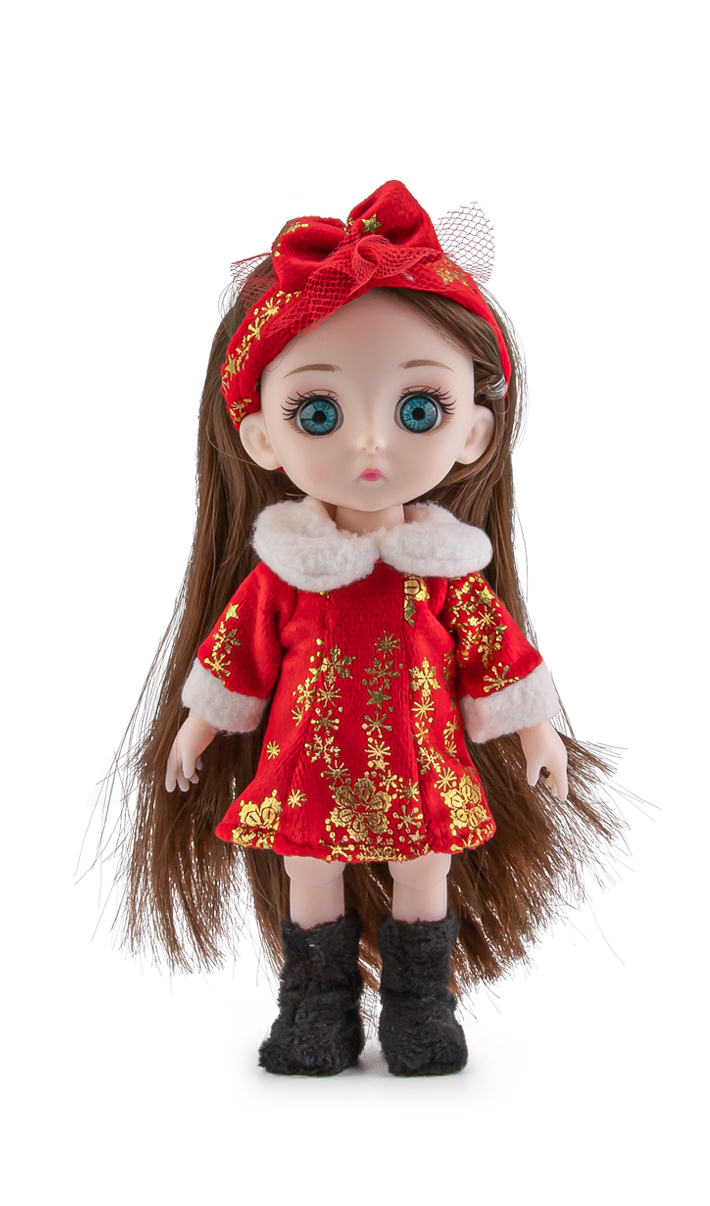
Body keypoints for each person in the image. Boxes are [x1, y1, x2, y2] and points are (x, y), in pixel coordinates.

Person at [114, 180, 618, 1078]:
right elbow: (238, 654)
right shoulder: (287, 574)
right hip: (310, 762)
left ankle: (421, 1011)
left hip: (421, 761)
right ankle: (318, 1011)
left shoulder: (443, 572)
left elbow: (496, 653)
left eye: (419, 409)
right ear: (261, 439)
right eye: (320, 413)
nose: (371, 445)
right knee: (312, 877)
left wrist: (535, 727)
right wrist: (199, 723)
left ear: (474, 434)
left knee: (426, 874)